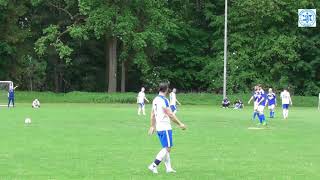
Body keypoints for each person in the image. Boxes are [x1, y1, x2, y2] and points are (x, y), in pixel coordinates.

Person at [148, 82, 186, 174]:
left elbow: (152, 114)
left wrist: (152, 126)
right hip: (165, 127)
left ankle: (168, 168)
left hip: (159, 127)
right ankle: (153, 165)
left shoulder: (155, 99)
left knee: (166, 148)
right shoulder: (164, 100)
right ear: (166, 90)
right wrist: (180, 124)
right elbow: (170, 114)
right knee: (167, 148)